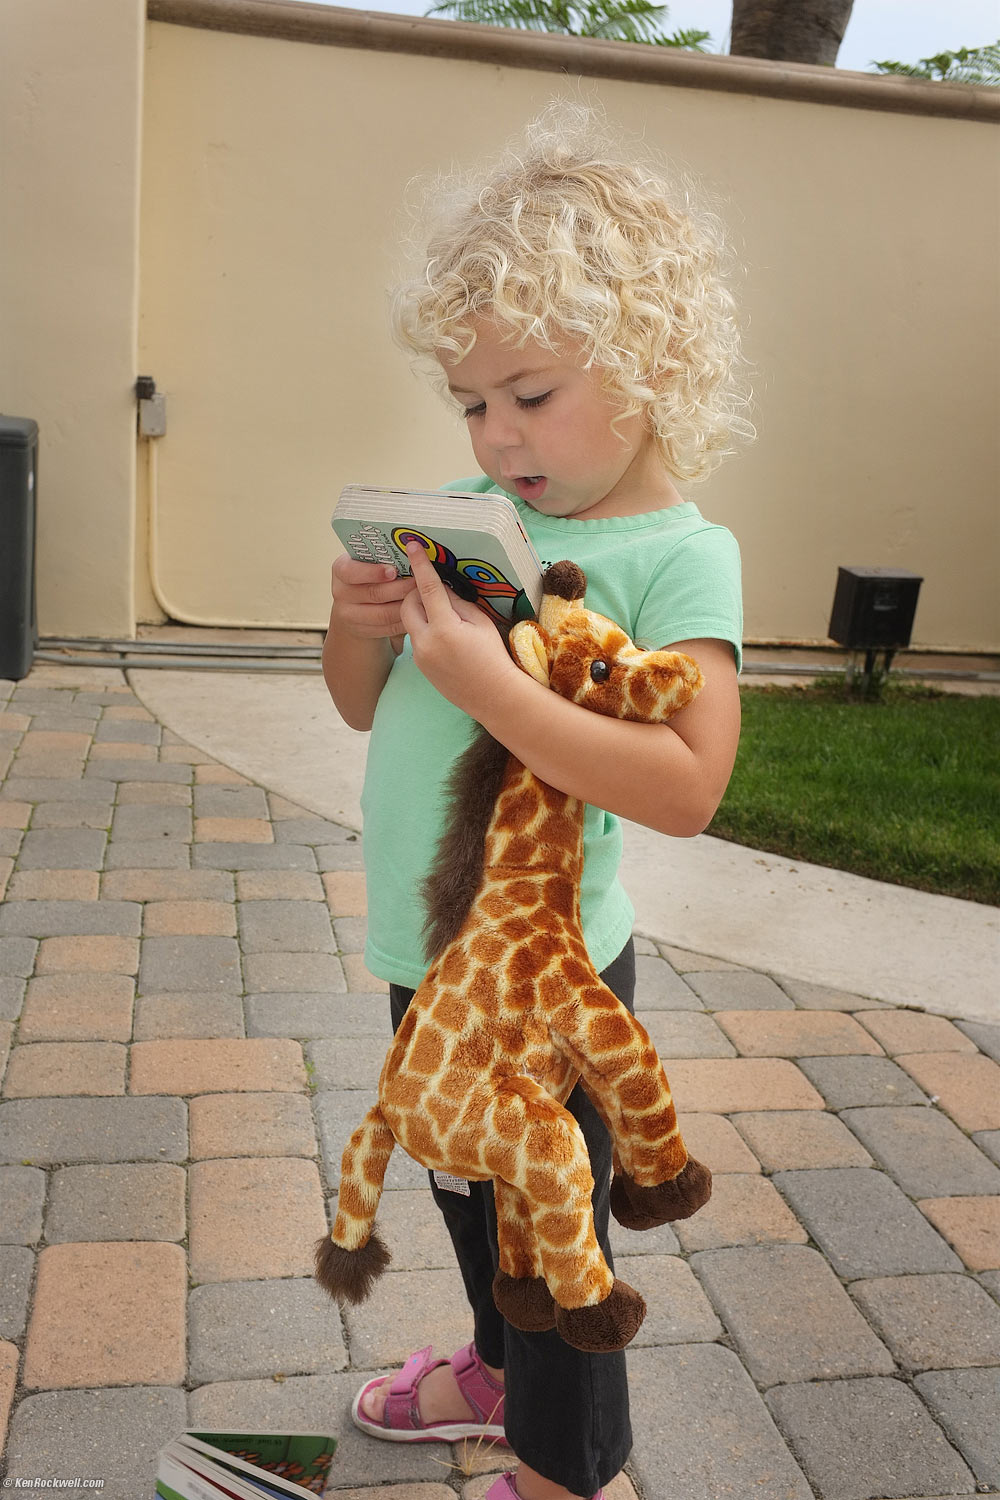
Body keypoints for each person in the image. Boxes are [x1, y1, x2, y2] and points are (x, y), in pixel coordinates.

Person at [321, 101, 750, 1500]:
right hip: (422, 950)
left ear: (648, 365)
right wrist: (359, 617)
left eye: (530, 393)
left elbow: (688, 787)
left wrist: (505, 692)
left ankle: (573, 1471)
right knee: (464, 1180)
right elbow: (355, 704)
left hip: (550, 973)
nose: (496, 433)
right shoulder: (462, 512)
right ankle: (494, 1372)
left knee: (558, 1223)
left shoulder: (681, 558)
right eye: (471, 400)